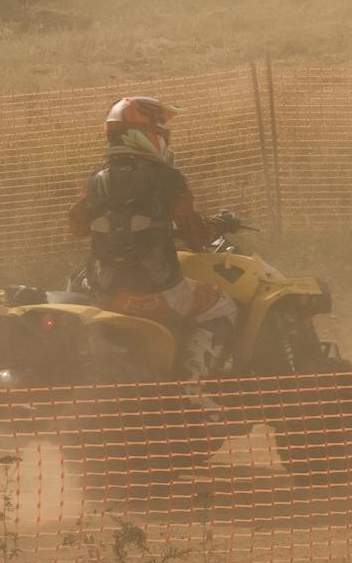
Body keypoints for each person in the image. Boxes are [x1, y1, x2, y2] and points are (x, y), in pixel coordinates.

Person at [66, 97, 238, 382]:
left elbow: (76, 227)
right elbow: (195, 237)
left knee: (74, 279)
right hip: (157, 292)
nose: (165, 140)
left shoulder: (95, 180)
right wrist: (219, 224)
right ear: (144, 135)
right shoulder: (168, 178)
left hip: (105, 293)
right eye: (161, 133)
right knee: (222, 306)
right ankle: (192, 385)